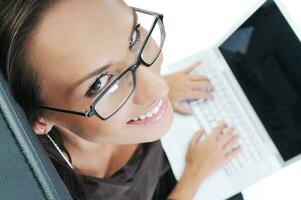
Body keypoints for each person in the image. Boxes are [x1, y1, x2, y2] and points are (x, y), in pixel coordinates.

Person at [0, 0, 241, 199]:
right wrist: (193, 176)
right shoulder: (45, 190)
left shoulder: (151, 88)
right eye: (100, 84)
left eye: (133, 37)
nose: (159, 88)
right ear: (39, 119)